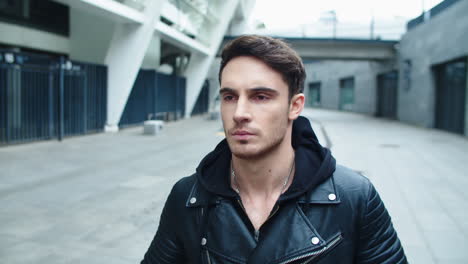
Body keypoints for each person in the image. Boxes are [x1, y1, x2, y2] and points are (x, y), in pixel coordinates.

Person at [141, 35, 407, 264]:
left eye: (260, 97)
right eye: (229, 97)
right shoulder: (188, 197)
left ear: (295, 106)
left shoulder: (355, 197)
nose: (239, 113)